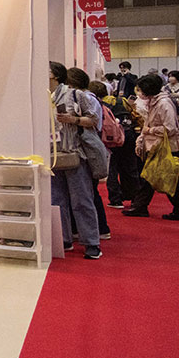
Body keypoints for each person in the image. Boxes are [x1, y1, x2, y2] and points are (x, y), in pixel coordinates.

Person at [49, 62, 102, 259]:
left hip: (75, 153)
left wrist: (74, 120)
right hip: (52, 156)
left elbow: (94, 120)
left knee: (82, 200)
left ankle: (91, 242)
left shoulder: (75, 95)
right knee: (57, 201)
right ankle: (64, 239)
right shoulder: (42, 97)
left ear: (55, 75)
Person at [122, 75, 179, 221]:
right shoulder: (153, 102)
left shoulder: (163, 103)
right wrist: (142, 139)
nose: (139, 93)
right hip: (155, 145)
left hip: (166, 147)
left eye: (141, 89)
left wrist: (149, 131)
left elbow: (170, 128)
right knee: (149, 177)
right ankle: (141, 206)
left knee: (168, 179)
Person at [68, 68, 111, 242]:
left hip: (87, 148)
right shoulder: (89, 98)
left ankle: (99, 229)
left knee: (89, 194)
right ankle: (94, 229)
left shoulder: (85, 98)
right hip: (88, 146)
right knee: (89, 193)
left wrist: (74, 120)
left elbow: (92, 122)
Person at [98, 83, 139, 206]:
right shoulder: (123, 101)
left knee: (112, 169)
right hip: (128, 135)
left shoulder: (100, 105)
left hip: (110, 140)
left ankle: (115, 199)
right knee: (130, 167)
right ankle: (135, 197)